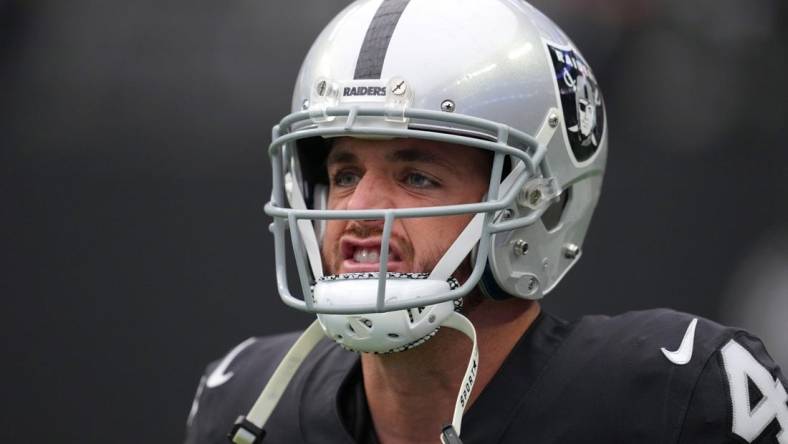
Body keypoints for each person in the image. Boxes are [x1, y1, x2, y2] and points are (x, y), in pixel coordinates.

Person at [184, 0, 788, 443]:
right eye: (343, 174)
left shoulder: (669, 401)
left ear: (536, 201)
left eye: (416, 176)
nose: (360, 208)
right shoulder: (246, 403)